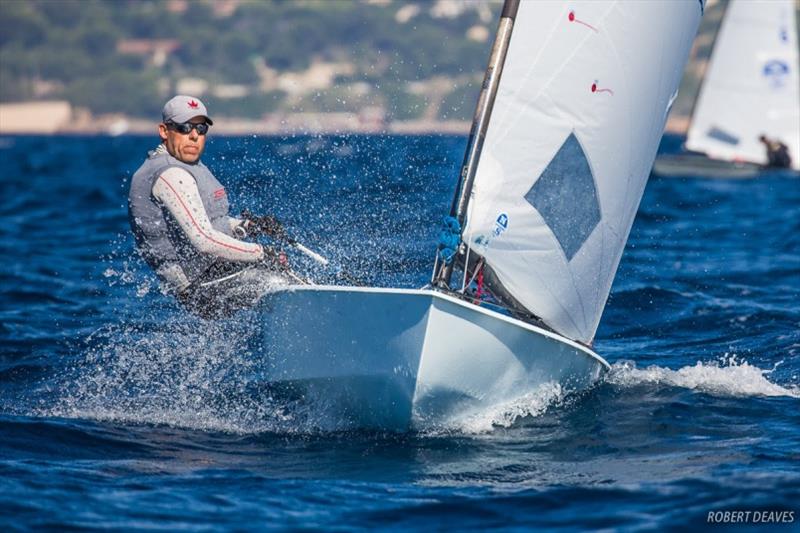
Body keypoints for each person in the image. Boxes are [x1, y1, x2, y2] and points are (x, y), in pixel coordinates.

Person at [128, 95, 289, 318]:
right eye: (184, 128)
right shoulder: (171, 174)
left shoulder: (186, 165)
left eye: (201, 128)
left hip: (213, 272)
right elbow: (203, 240)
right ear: (164, 131)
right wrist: (261, 253)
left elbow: (204, 221)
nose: (194, 136)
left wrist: (246, 226)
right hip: (198, 287)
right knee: (277, 282)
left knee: (285, 276)